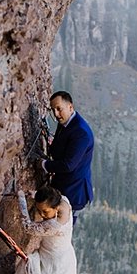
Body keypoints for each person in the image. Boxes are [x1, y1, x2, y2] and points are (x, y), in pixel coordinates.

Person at [44, 91, 93, 225]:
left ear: (70, 107)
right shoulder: (66, 122)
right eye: (53, 110)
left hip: (74, 191)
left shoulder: (81, 132)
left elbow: (68, 165)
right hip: (64, 186)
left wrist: (45, 165)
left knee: (63, 231)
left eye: (59, 109)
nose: (56, 114)